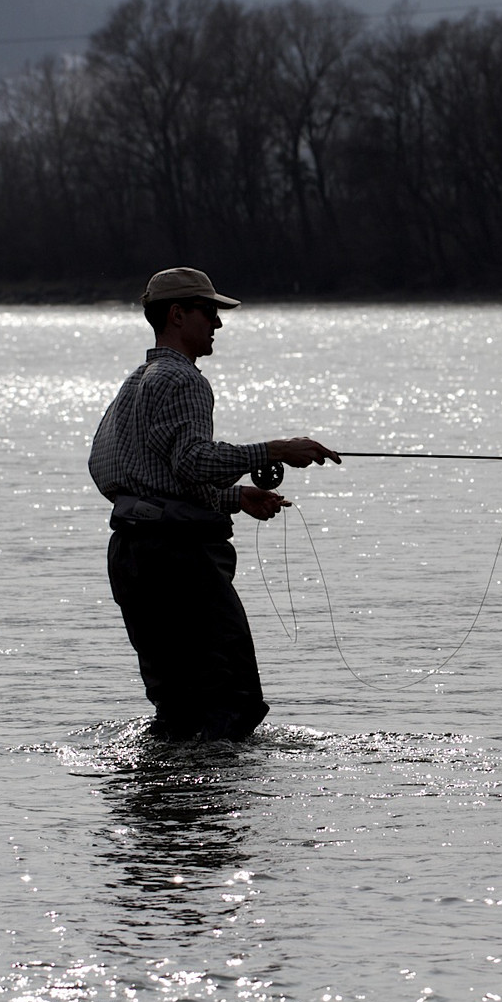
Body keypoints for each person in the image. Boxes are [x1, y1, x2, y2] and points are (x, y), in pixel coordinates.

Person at [89, 267, 339, 741]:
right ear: (178, 315)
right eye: (209, 313)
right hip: (179, 560)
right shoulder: (184, 381)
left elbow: (122, 470)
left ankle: (161, 806)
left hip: (132, 557)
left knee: (177, 704)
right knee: (231, 699)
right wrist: (276, 449)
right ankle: (213, 810)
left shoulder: (134, 383)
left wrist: (235, 497)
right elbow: (193, 459)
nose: (218, 325)